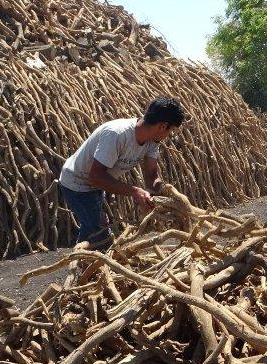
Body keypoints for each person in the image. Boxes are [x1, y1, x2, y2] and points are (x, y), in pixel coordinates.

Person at [59, 97, 185, 251]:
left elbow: (151, 176)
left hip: (95, 183)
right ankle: (84, 266)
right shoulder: (116, 134)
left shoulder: (153, 141)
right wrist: (135, 191)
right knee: (98, 233)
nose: (169, 134)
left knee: (96, 227)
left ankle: (85, 264)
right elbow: (95, 176)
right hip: (77, 182)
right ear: (163, 126)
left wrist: (166, 192)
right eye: (171, 130)